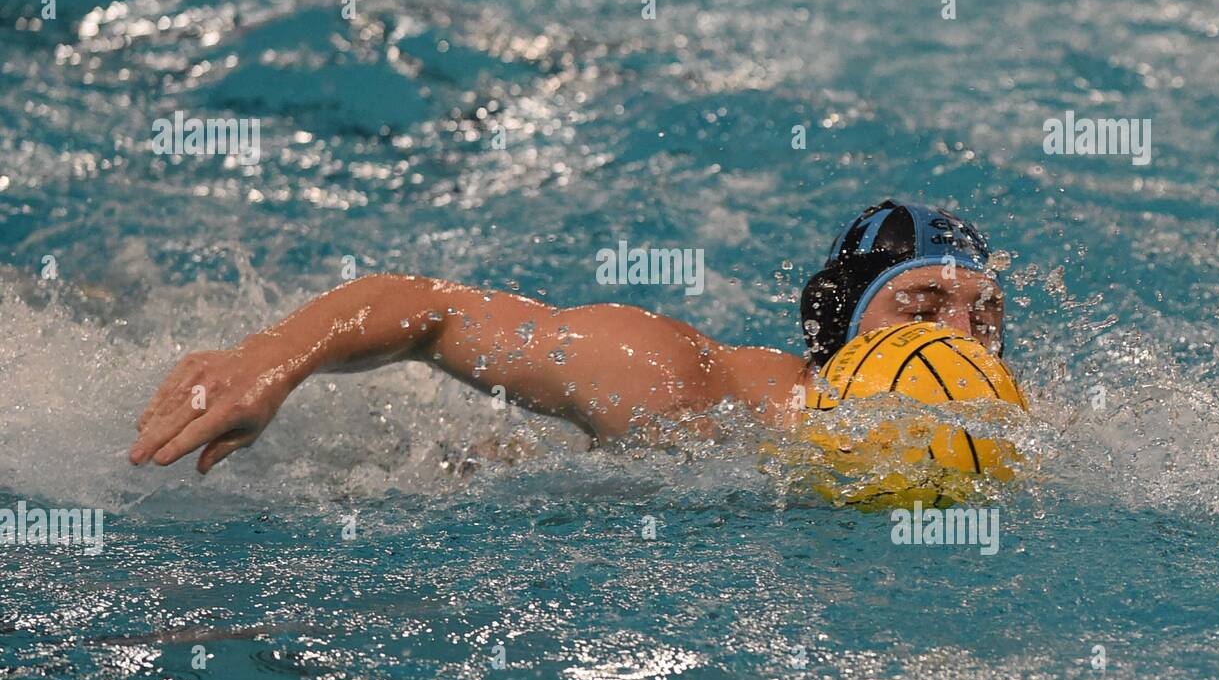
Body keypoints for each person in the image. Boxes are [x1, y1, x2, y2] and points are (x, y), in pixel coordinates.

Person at [129, 200, 1005, 473]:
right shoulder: (687, 392)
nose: (962, 340)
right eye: (922, 307)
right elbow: (431, 310)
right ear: (837, 328)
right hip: (429, 468)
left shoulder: (1021, 445)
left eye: (985, 316)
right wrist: (268, 361)